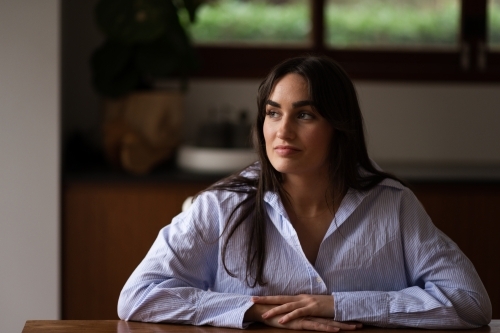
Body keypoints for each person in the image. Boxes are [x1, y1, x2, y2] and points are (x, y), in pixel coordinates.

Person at [117, 56, 492, 331]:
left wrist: (338, 306)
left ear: (339, 127)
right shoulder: (220, 205)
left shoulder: (392, 205)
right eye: (273, 112)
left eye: (305, 115)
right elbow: (137, 296)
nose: (283, 131)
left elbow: (471, 304)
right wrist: (257, 310)